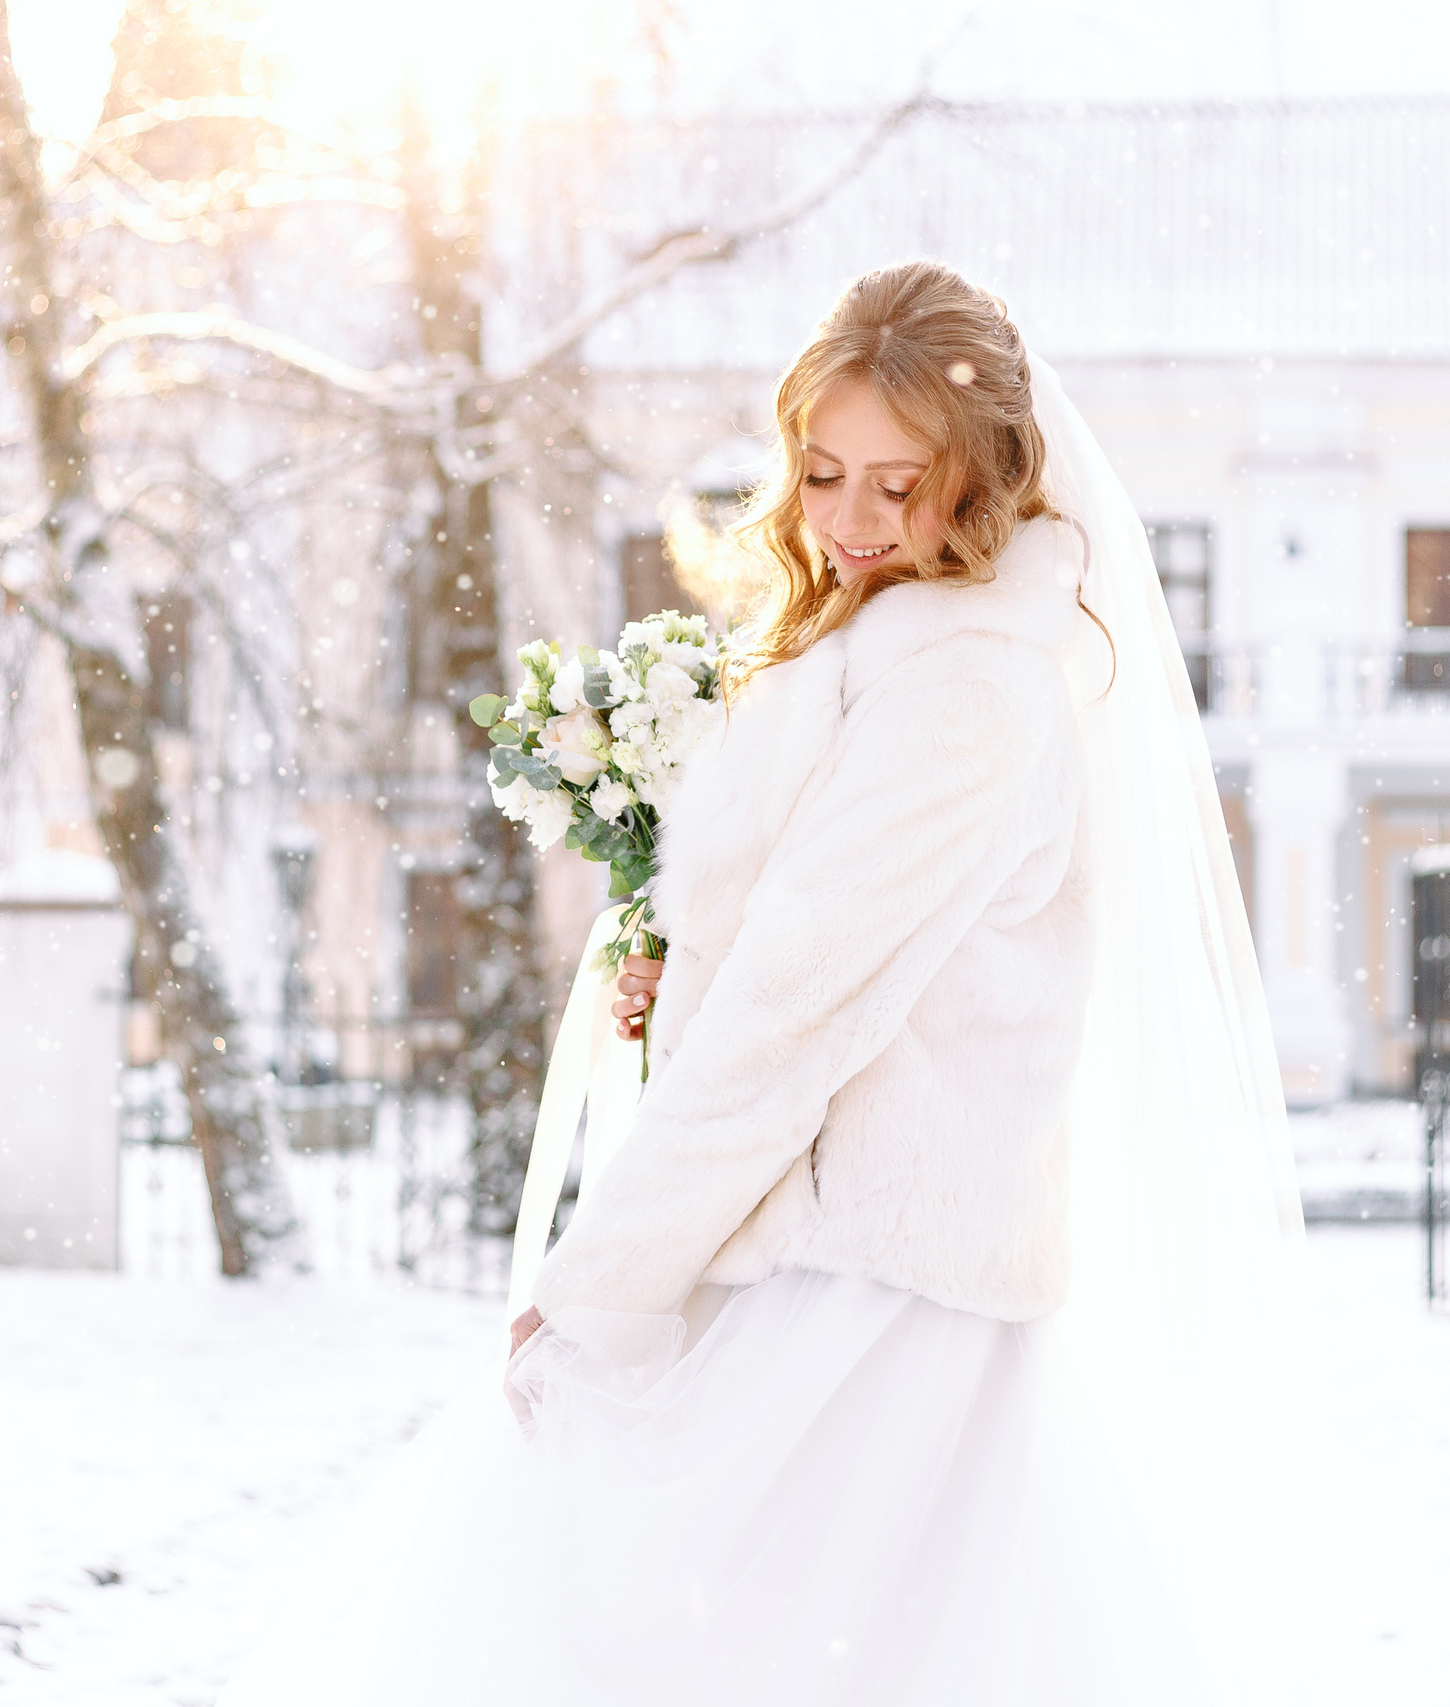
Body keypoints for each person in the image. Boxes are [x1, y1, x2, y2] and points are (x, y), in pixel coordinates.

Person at [223, 262, 1299, 1706]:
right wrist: (687, 970)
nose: (849, 522)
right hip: (816, 1259)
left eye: (898, 486)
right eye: (821, 472)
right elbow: (814, 965)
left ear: (982, 483)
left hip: (871, 1303)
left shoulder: (964, 694)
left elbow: (797, 1019)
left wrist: (600, 1281)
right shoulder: (872, 653)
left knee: (651, 1623)